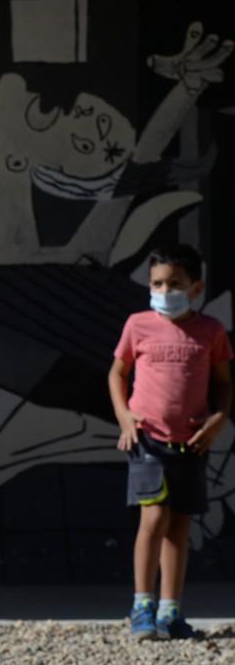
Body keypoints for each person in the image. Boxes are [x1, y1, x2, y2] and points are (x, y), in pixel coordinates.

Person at [110, 243, 232, 641]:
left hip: (191, 444)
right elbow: (117, 373)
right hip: (149, 440)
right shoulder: (137, 325)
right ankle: (141, 605)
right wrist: (125, 416)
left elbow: (224, 385)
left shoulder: (211, 332)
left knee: (179, 525)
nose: (164, 291)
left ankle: (170, 610)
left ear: (195, 287)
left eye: (174, 283)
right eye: (157, 283)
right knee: (154, 518)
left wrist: (217, 420)